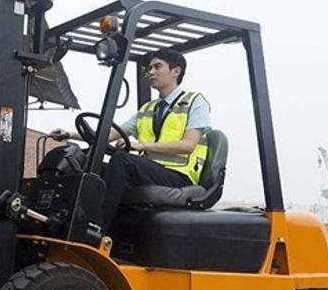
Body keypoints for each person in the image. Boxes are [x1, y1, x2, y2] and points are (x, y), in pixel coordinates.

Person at [51, 48, 211, 234]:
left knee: (122, 160)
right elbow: (109, 134)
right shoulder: (148, 109)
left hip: (179, 176)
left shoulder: (195, 102)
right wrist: (69, 135)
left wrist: (141, 145)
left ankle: (95, 229)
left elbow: (188, 145)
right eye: (149, 68)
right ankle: (68, 220)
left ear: (176, 71)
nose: (150, 72)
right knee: (92, 163)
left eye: (157, 67)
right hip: (151, 171)